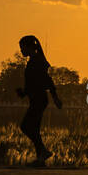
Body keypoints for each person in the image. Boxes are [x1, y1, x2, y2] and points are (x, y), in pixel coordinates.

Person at [16, 35, 61, 167]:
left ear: (29, 47)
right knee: (33, 128)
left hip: (39, 100)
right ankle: (40, 158)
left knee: (26, 126)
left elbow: (47, 80)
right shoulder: (33, 61)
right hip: (36, 99)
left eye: (22, 48)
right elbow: (33, 84)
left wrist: (55, 97)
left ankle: (43, 151)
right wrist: (23, 92)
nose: (21, 51)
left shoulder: (37, 61)